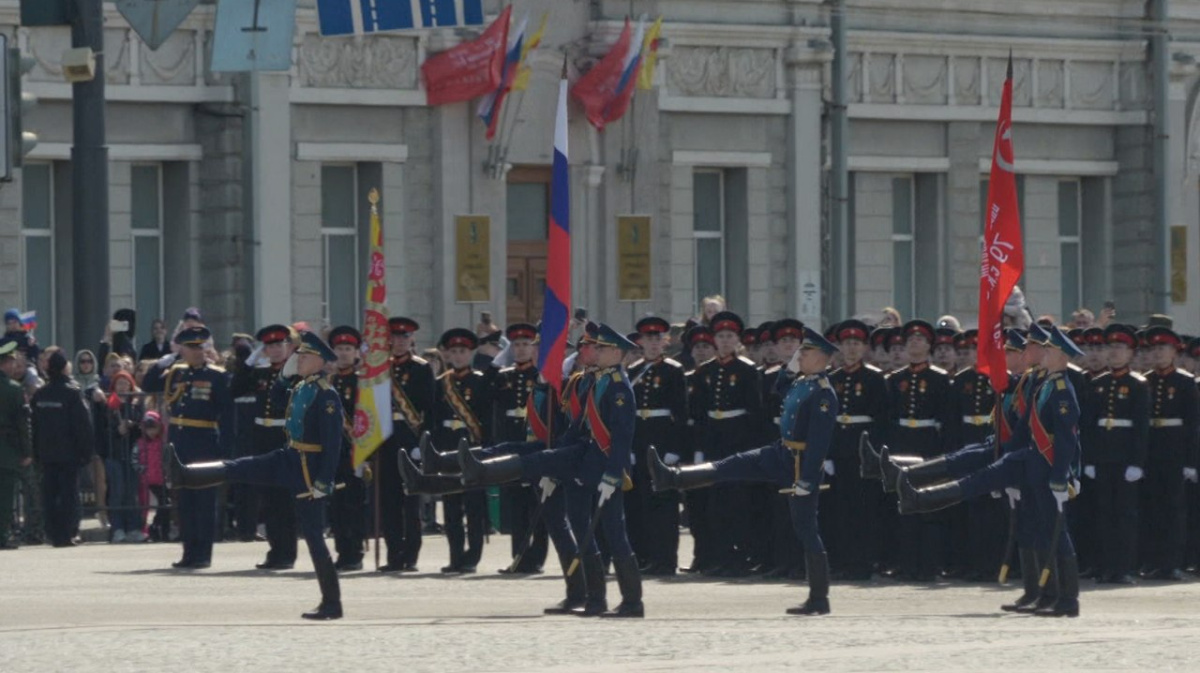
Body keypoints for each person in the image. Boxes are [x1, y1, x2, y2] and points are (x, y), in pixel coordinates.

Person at [649, 325, 840, 615]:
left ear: (823, 357)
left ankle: (819, 597)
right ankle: (673, 477)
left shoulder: (824, 394)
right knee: (733, 464)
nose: (800, 355)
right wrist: (790, 368)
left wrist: (808, 480)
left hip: (799, 465)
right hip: (780, 450)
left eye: (806, 351)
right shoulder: (804, 382)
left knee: (806, 529)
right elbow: (779, 390)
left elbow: (819, 443)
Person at [896, 324, 1083, 617]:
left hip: (1046, 468)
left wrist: (1062, 477)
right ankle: (1045, 595)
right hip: (1028, 461)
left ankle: (1068, 599)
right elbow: (1022, 430)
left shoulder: (1061, 390)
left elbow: (1068, 439)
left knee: (1054, 532)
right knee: (1020, 514)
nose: (1043, 353)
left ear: (1061, 356)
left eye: (1049, 349)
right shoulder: (1045, 385)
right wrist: (1001, 459)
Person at [459, 323, 645, 618]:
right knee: (583, 529)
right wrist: (554, 460)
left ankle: (633, 602)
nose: (594, 351)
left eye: (601, 348)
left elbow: (622, 436)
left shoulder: (619, 386)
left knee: (614, 533)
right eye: (594, 347)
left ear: (617, 353)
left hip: (604, 468)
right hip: (582, 464)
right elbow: (576, 429)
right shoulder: (596, 381)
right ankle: (595, 599)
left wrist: (613, 474)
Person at [172, 331, 344, 620]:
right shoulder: (302, 388)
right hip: (289, 456)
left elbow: (333, 443)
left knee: (314, 535)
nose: (298, 360)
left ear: (319, 360)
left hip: (308, 468)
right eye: (297, 356)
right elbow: (276, 400)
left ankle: (332, 602)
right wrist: (286, 375)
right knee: (242, 466)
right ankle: (187, 475)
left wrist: (324, 481)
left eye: (303, 356)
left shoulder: (327, 395)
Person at [141, 326, 235, 569]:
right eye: (191, 347)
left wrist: (224, 450)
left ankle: (203, 553)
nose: (196, 351)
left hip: (204, 442)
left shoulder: (217, 375)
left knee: (204, 501)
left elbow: (226, 414)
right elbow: (149, 384)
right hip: (179, 443)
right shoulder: (176, 372)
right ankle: (189, 552)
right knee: (184, 502)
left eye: (199, 346)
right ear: (181, 349)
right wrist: (165, 361)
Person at [691, 311, 763, 577]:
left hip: (737, 439)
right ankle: (718, 555)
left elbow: (754, 412)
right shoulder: (705, 371)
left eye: (729, 336)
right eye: (720, 336)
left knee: (738, 500)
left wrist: (750, 449)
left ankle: (740, 556)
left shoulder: (746, 370)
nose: (724, 341)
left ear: (737, 340)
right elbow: (698, 413)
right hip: (713, 440)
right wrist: (699, 447)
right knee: (715, 501)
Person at [1081, 324, 1148, 584]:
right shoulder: (1098, 384)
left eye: (1121, 348)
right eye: (1112, 347)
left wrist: (1137, 463)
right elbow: (1089, 426)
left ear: (1131, 353)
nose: (1115, 352)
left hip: (1125, 459)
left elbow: (1141, 428)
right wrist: (1089, 460)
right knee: (1103, 514)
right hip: (1102, 459)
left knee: (1125, 516)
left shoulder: (1138, 385)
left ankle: (1124, 567)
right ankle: (1105, 566)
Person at [230, 325, 299, 570]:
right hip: (262, 438)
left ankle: (287, 553)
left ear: (288, 347)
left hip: (285, 437)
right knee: (268, 498)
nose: (275, 350)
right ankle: (275, 550)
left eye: (279, 345)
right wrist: (249, 362)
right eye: (269, 346)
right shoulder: (260, 374)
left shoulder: (296, 374)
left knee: (285, 500)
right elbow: (235, 388)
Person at [625, 317, 688, 576]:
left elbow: (681, 413)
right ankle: (642, 556)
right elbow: (628, 414)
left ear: (666, 341)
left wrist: (675, 448)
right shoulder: (632, 371)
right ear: (639, 342)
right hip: (639, 438)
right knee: (638, 502)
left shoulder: (673, 371)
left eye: (657, 338)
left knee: (663, 503)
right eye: (647, 339)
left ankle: (665, 559)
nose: (652, 343)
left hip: (662, 439)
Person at [827, 319, 887, 580]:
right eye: (847, 343)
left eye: (856, 343)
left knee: (864, 510)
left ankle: (862, 562)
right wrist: (826, 454)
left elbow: (882, 420)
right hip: (838, 451)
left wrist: (873, 453)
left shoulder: (874, 378)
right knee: (839, 510)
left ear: (864, 348)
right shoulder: (832, 379)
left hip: (862, 451)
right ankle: (841, 561)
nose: (851, 349)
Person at [1137, 326, 1199, 580]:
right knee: (1153, 507)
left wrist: (1190, 461)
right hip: (1153, 448)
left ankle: (1172, 562)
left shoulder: (1185, 382)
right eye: (1154, 349)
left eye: (1163, 348)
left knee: (1174, 509)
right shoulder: (1146, 380)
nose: (1158, 353)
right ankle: (1153, 561)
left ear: (1174, 351)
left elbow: (1192, 424)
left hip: (1175, 450)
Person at [435, 328, 493, 573]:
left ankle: (472, 557)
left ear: (471, 353)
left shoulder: (480, 381)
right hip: (448, 451)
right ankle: (455, 556)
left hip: (472, 450)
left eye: (463, 351)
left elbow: (487, 419)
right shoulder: (441, 383)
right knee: (451, 508)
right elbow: (434, 419)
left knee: (474, 508)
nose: (458, 356)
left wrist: (487, 450)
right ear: (448, 354)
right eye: (454, 352)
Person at [491, 323, 547, 574]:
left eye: (526, 344)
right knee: (516, 505)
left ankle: (536, 558)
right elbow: (493, 407)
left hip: (535, 444)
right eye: (516, 345)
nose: (521, 349)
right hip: (513, 444)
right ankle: (518, 556)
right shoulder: (504, 376)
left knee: (538, 504)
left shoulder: (542, 376)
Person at [379, 317, 433, 572]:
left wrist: (421, 443)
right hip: (385, 441)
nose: (399, 342)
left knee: (411, 502)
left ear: (412, 339)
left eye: (404, 337)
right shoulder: (379, 369)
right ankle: (393, 554)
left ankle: (410, 555)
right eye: (395, 337)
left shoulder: (421, 369)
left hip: (409, 439)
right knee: (388, 502)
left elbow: (429, 410)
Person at [104, 371, 145, 542]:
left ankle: (134, 527)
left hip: (132, 453)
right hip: (115, 454)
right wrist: (116, 430)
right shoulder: (109, 405)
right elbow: (104, 430)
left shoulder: (135, 404)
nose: (123, 387)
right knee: (117, 492)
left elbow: (142, 426)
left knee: (131, 492)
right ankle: (117, 528)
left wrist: (132, 425)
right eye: (119, 383)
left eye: (125, 383)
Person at [0, 339, 32, 549]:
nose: (14, 366)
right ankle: (2, 535)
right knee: (5, 496)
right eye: (10, 361)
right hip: (7, 450)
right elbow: (23, 424)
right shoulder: (13, 389)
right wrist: (27, 451)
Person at [136, 411, 170, 543]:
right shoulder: (139, 443)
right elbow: (135, 460)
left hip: (160, 478)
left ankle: (160, 530)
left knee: (165, 504)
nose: (151, 431)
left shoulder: (161, 442)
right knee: (145, 506)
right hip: (145, 479)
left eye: (154, 427)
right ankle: (145, 530)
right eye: (148, 428)